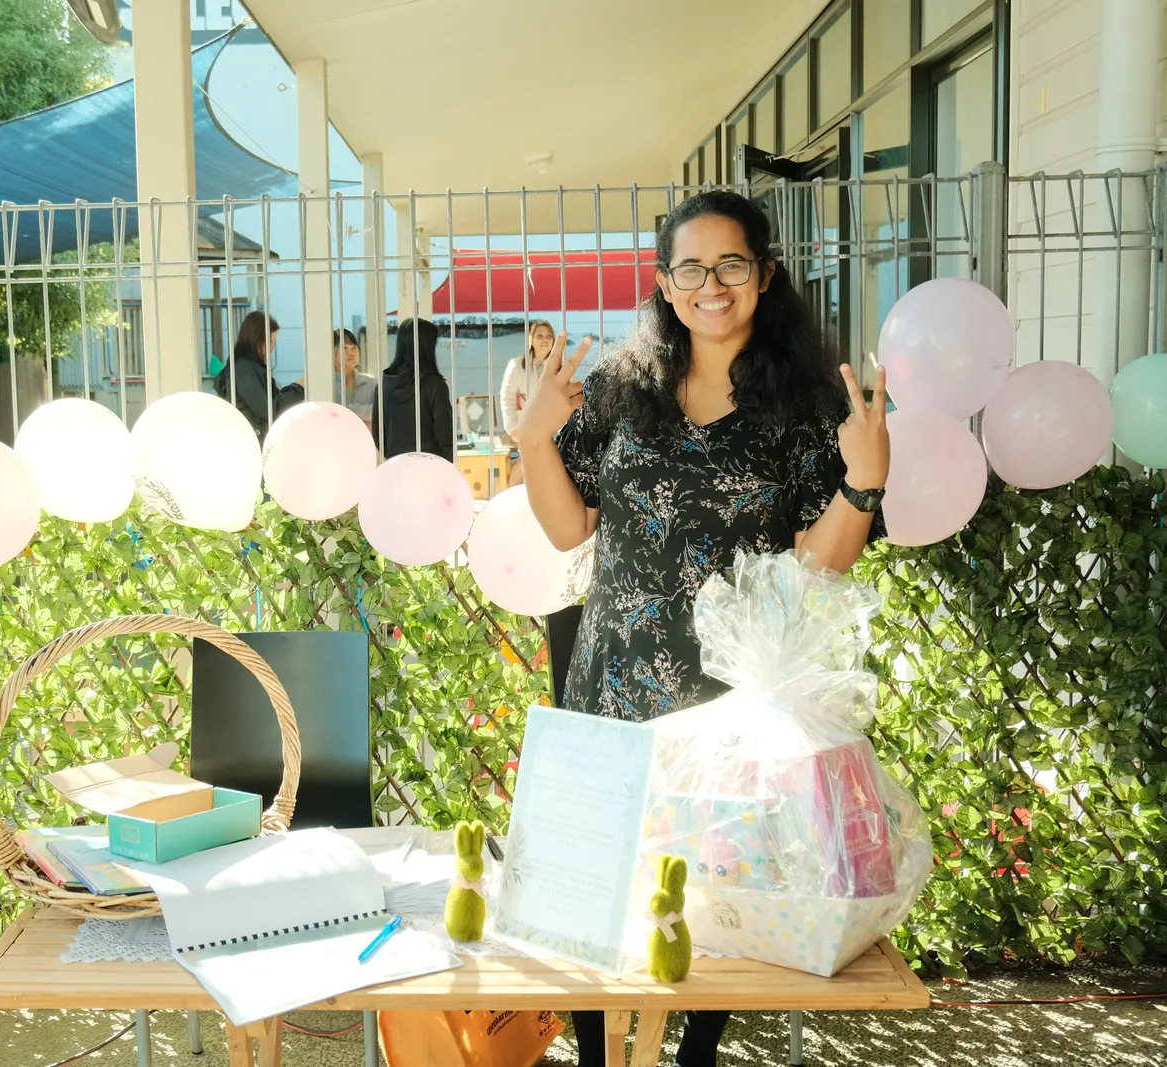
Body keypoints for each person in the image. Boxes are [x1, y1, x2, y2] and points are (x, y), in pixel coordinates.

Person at [516, 189, 890, 1067]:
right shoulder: (618, 386)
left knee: (712, 895)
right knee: (594, 900)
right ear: (664, 282)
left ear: (763, 275)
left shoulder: (803, 406)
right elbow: (569, 528)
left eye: (731, 265)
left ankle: (692, 1056)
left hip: (726, 705)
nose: (710, 284)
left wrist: (863, 486)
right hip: (610, 682)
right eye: (691, 267)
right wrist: (536, 442)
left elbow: (815, 565)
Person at [214, 311, 303, 441]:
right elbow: (269, 410)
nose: (272, 347)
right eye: (271, 341)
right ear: (257, 339)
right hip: (254, 446)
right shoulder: (245, 370)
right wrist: (298, 388)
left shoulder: (243, 367)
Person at [380, 317, 455, 460]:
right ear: (427, 346)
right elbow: (445, 434)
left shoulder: (383, 385)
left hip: (396, 466)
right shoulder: (435, 385)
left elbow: (379, 435)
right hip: (430, 466)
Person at [499, 320, 556, 487]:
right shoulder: (516, 365)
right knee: (527, 463)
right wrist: (512, 426)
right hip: (525, 426)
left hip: (552, 429)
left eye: (549, 336)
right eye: (539, 336)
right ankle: (512, 498)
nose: (544, 340)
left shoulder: (559, 367)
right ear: (531, 339)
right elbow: (507, 396)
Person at [333, 328, 379, 438]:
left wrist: (346, 411)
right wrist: (364, 421)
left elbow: (380, 412)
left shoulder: (370, 382)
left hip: (366, 445)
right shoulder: (327, 383)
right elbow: (332, 414)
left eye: (354, 348)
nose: (351, 353)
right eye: (344, 348)